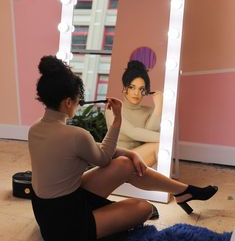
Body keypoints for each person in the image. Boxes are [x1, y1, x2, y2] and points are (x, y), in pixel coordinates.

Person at [28, 55, 218, 241]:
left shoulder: (35, 129)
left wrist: (130, 153)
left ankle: (183, 191)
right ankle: (182, 193)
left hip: (49, 211)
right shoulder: (75, 135)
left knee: (125, 164)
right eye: (79, 101)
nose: (78, 105)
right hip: (67, 226)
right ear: (68, 102)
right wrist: (118, 119)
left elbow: (98, 151)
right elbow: (103, 158)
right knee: (144, 208)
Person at [105, 60, 163, 150]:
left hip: (140, 158)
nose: (136, 93)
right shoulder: (112, 110)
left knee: (155, 145)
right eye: (132, 87)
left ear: (145, 92)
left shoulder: (149, 111)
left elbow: (149, 137)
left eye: (141, 89)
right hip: (117, 157)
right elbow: (133, 132)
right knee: (156, 145)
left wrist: (159, 106)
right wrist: (166, 139)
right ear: (124, 88)